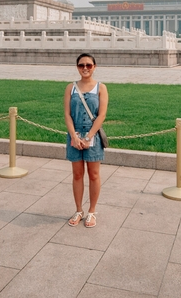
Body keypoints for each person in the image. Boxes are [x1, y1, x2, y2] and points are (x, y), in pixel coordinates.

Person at [64, 53, 108, 229]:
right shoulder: (70, 88)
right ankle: (78, 210)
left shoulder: (100, 88)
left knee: (94, 174)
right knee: (77, 174)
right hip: (74, 135)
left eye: (89, 65)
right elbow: (67, 114)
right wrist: (74, 136)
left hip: (93, 136)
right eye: (82, 65)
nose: (85, 68)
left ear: (94, 67)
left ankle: (91, 211)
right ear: (77, 67)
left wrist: (88, 136)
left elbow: (102, 115)